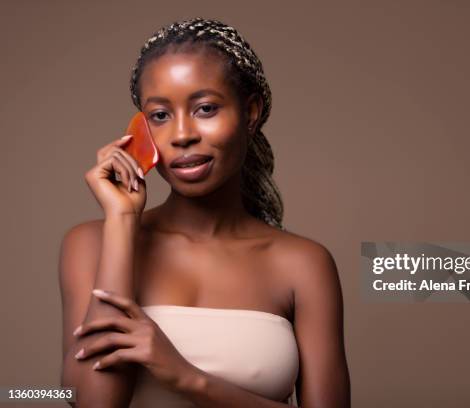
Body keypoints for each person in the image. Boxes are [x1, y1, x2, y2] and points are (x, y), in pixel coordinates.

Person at [58, 18, 350, 407]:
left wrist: (187, 377)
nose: (181, 135)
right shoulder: (91, 243)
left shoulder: (303, 264)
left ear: (250, 113)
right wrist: (123, 222)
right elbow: (91, 403)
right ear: (140, 130)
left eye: (206, 108)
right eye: (160, 115)